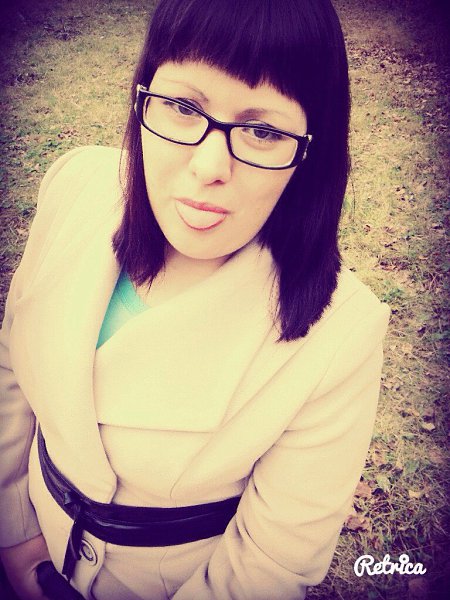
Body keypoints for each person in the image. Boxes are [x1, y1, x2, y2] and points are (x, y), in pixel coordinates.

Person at [0, 0, 390, 598]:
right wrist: (13, 529)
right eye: (183, 107)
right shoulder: (76, 185)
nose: (209, 166)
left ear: (309, 151)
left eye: (263, 131)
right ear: (143, 95)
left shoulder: (341, 334)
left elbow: (269, 563)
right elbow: (12, 363)